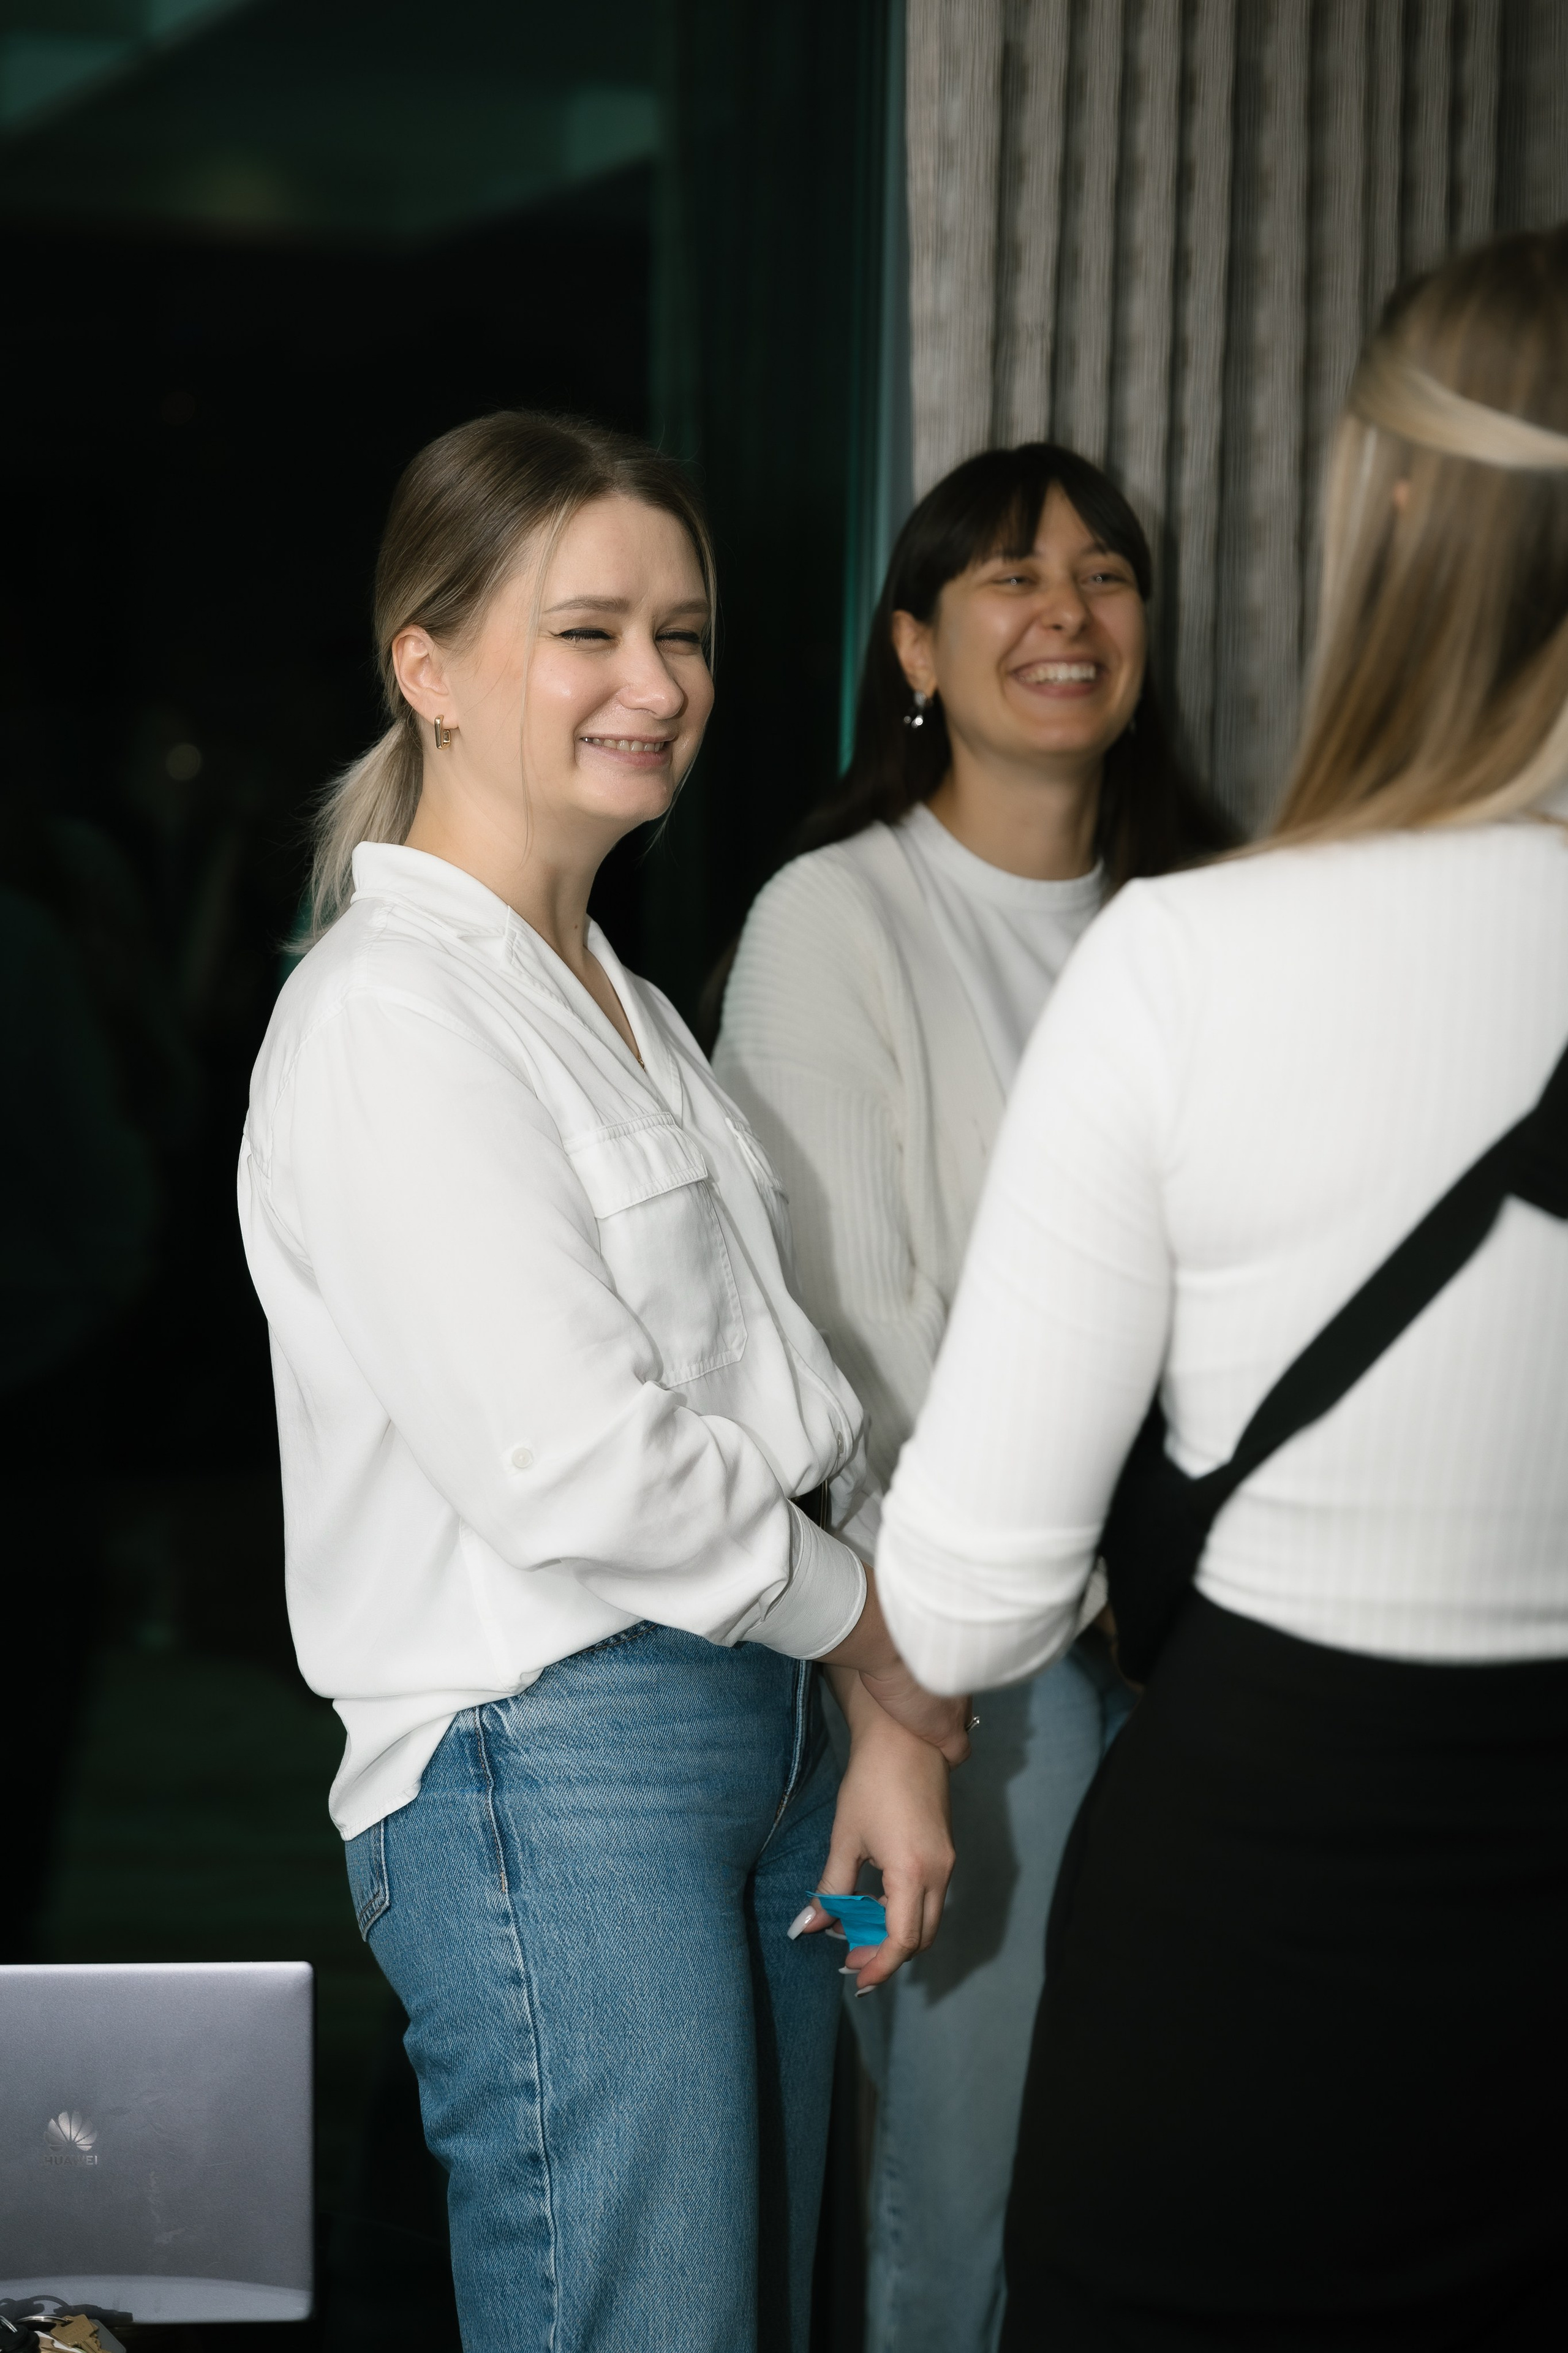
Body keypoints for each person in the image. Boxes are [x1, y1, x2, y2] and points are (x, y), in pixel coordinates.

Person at [876, 226, 1568, 2351]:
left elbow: (980, 1588)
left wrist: (905, 1697)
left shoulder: (1191, 960)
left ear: (1389, 514)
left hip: (1272, 1912)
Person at [236, 410, 967, 2353]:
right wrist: (879, 1634)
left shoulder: (626, 1003)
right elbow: (575, 1462)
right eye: (590, 631)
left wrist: (870, 1713)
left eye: (689, 631)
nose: (659, 683)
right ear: (429, 664)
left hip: (749, 1722)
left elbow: (799, 1393)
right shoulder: (392, 1012)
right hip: (548, 1756)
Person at [714, 442, 1231, 2352]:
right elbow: (852, 1330)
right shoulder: (832, 915)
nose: (1070, 613)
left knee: (1173, 2167)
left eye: (1107, 576)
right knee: (955, 2175)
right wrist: (1075, 1587)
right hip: (933, 1658)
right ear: (916, 645)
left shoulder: (1210, 919)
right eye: (1013, 580)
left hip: (1201, 1629)